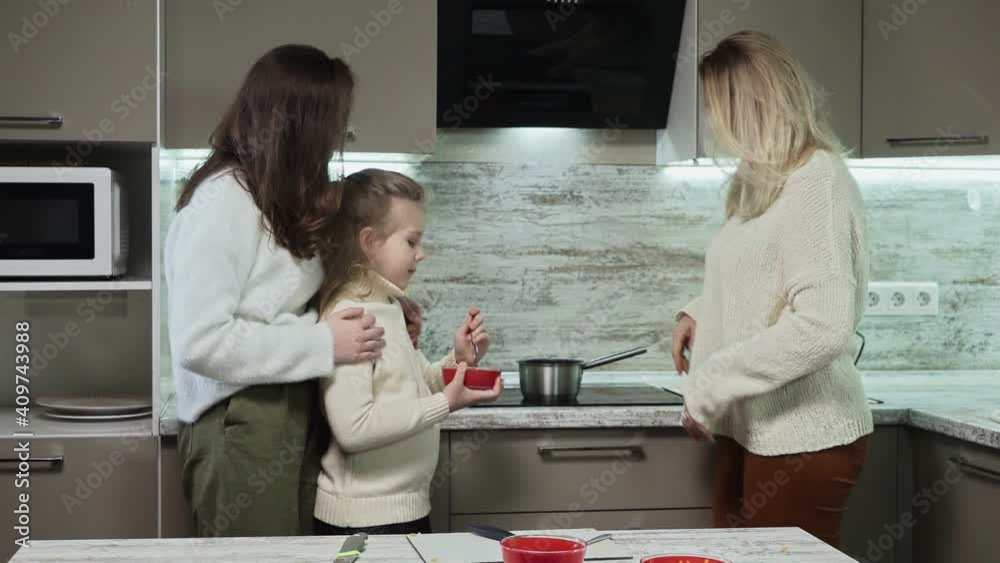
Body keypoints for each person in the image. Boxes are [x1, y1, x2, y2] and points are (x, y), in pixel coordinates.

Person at [165, 45, 391, 537]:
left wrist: (379, 316)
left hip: (285, 412)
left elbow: (280, 305)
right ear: (299, 127)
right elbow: (201, 342)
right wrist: (324, 344)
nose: (338, 137)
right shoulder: (222, 201)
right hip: (242, 421)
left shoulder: (272, 197)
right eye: (332, 123)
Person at [671, 31, 872, 549]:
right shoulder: (763, 181)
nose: (713, 125)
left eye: (717, 109)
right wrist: (698, 312)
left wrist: (710, 384)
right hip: (753, 429)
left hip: (805, 437)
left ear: (749, 106)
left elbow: (823, 325)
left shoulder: (815, 179)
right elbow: (759, 274)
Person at [312, 169, 502, 535]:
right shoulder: (350, 313)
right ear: (369, 242)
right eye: (411, 242)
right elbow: (354, 428)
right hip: (363, 523)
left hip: (402, 511)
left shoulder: (386, 305)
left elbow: (414, 386)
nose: (422, 253)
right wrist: (446, 403)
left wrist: (458, 360)